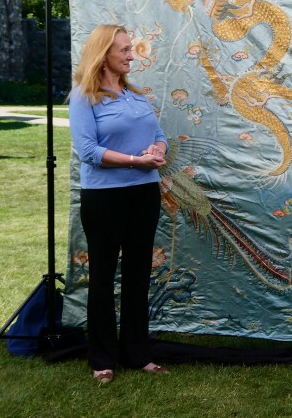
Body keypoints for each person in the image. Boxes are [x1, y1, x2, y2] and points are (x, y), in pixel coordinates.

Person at [69, 24, 170, 384]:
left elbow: (158, 135)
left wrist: (158, 150)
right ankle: (102, 359)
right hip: (104, 198)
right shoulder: (84, 97)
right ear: (104, 54)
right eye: (125, 50)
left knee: (138, 275)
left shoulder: (136, 96)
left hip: (144, 193)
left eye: (131, 49)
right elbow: (88, 152)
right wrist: (134, 161)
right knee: (101, 278)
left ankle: (138, 353)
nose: (131, 55)